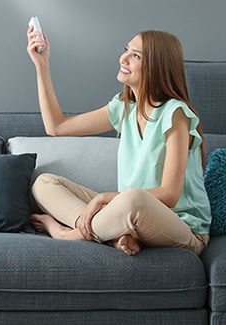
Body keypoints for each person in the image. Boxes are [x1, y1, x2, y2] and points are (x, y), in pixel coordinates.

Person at [26, 27, 211, 256]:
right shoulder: (124, 108)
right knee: (44, 183)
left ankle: (68, 234)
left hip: (183, 227)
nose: (123, 58)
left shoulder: (176, 114)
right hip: (130, 215)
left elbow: (169, 195)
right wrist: (41, 65)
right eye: (127, 50)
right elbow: (56, 127)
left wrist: (103, 199)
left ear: (157, 67)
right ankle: (113, 234)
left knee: (134, 198)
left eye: (136, 55)